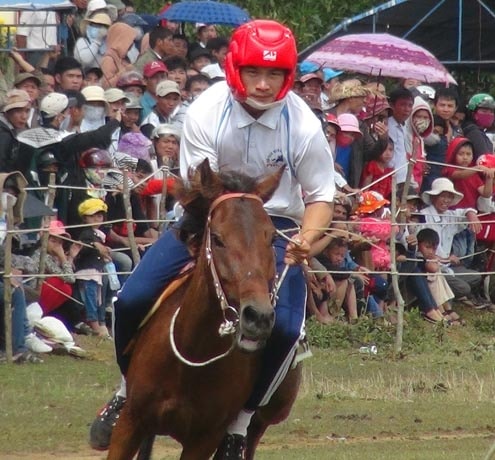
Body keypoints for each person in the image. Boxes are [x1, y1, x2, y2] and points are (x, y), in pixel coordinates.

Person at [89, 19, 335, 455]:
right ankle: (126, 392)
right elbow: (203, 189)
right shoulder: (206, 109)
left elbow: (320, 198)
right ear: (235, 69)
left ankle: (239, 426)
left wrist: (306, 239)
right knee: (130, 299)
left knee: (286, 330)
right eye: (254, 72)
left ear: (288, 75)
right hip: (209, 214)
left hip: (273, 227)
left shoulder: (304, 124)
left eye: (273, 74)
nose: (262, 84)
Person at [419, 178, 487, 308]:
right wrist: (444, 259)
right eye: (443, 196)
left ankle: (448, 292)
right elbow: (421, 250)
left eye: (449, 197)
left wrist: (471, 214)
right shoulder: (423, 216)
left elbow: (465, 211)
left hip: (447, 267)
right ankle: (443, 298)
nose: (446, 200)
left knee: (476, 277)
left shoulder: (450, 215)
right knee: (464, 288)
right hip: (431, 267)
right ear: (433, 197)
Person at [74, 198, 112, 337]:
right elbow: (86, 243)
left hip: (96, 271)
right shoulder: (86, 233)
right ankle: (94, 323)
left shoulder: (99, 234)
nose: (97, 219)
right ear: (84, 218)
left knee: (97, 298)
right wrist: (96, 245)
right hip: (87, 272)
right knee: (90, 298)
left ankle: (99, 323)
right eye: (92, 216)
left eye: (99, 215)